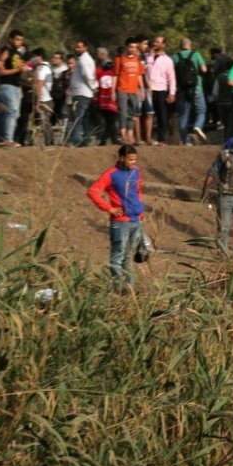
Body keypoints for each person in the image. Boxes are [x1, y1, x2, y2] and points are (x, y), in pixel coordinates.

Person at [87, 144, 145, 291]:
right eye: (130, 159)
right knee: (117, 258)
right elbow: (93, 192)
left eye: (135, 160)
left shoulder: (136, 171)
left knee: (128, 257)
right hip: (120, 223)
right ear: (121, 158)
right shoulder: (110, 174)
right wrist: (109, 209)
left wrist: (140, 213)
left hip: (135, 221)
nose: (133, 163)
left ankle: (129, 289)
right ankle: (118, 289)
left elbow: (137, 192)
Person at [173, 37, 208, 145]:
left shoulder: (175, 57)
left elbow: (172, 74)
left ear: (181, 45)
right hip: (196, 88)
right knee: (201, 110)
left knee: (183, 115)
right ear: (190, 45)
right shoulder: (196, 55)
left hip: (182, 90)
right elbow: (204, 69)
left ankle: (186, 141)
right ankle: (197, 126)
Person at [0, 29, 26, 147]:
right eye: (17, 39)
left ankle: (6, 138)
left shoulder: (18, 54)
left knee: (15, 113)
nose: (19, 42)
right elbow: (0, 71)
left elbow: (19, 71)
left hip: (16, 87)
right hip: (6, 85)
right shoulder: (5, 50)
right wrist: (17, 70)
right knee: (11, 111)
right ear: (10, 39)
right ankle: (7, 139)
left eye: (21, 40)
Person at [145, 35, 176, 146]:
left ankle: (162, 138)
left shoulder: (167, 60)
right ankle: (148, 138)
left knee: (162, 115)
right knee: (149, 114)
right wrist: (151, 55)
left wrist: (172, 93)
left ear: (163, 45)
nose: (155, 44)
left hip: (161, 89)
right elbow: (146, 69)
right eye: (155, 41)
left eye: (158, 42)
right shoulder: (148, 57)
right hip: (149, 89)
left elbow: (171, 77)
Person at [115, 38, 146, 146]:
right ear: (127, 46)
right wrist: (113, 91)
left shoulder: (137, 60)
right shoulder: (120, 59)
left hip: (133, 90)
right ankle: (122, 135)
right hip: (122, 89)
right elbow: (116, 75)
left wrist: (142, 89)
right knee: (123, 112)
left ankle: (130, 135)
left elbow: (139, 75)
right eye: (131, 47)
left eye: (135, 47)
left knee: (132, 114)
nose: (133, 49)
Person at [66, 40, 96, 146]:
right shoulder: (85, 59)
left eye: (79, 47)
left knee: (78, 117)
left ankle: (77, 140)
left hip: (82, 93)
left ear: (85, 48)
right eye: (76, 47)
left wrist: (93, 87)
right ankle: (86, 140)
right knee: (84, 118)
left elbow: (87, 75)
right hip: (84, 92)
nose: (76, 49)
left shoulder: (83, 59)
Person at [29, 48, 54, 145]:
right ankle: (48, 143)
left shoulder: (42, 69)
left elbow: (39, 85)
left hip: (44, 100)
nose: (33, 59)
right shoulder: (46, 67)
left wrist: (38, 102)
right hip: (46, 99)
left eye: (34, 56)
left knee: (45, 123)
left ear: (40, 57)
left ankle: (48, 144)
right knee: (44, 123)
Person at [212, 47, 233, 140]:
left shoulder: (219, 77)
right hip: (232, 104)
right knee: (231, 124)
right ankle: (229, 140)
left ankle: (226, 139)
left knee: (225, 123)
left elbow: (215, 92)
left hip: (221, 104)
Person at [94, 59, 119, 145]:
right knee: (111, 122)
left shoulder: (99, 75)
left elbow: (96, 87)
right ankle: (110, 139)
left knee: (107, 122)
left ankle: (106, 140)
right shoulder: (113, 75)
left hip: (102, 101)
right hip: (111, 101)